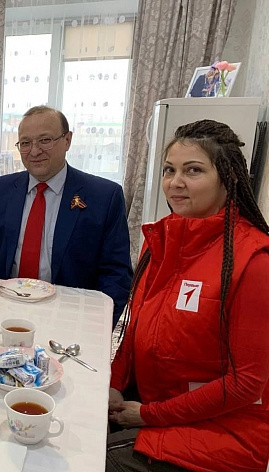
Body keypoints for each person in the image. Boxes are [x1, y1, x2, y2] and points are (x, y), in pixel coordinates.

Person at [107, 120, 269, 471]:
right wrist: (115, 382)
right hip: (157, 401)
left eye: (193, 170)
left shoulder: (253, 261)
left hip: (222, 429)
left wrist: (149, 415)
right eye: (169, 170)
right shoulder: (162, 240)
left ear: (229, 177)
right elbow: (135, 327)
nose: (175, 182)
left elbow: (245, 384)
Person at [0, 105, 132, 324]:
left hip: (70, 315)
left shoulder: (104, 196)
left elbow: (116, 274)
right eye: (26, 143)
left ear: (67, 140)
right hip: (5, 309)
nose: (34, 151)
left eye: (45, 140)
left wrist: (97, 324)